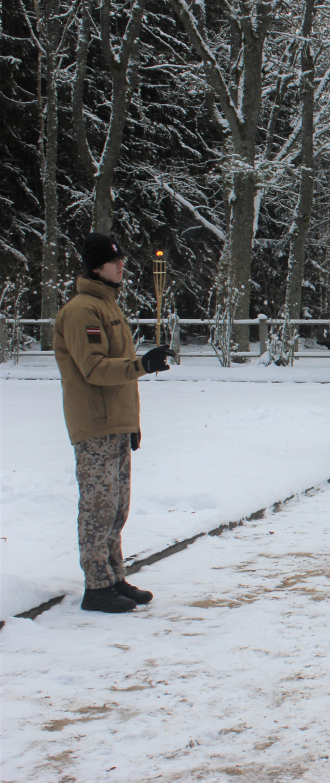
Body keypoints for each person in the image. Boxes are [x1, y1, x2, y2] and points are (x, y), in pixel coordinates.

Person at [53, 232, 174, 613]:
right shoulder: (82, 309)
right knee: (98, 506)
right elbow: (94, 368)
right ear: (95, 266)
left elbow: (117, 375)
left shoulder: (107, 305)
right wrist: (142, 364)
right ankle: (96, 586)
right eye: (114, 260)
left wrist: (130, 422)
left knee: (117, 506)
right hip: (94, 424)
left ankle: (113, 576)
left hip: (114, 423)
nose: (122, 265)